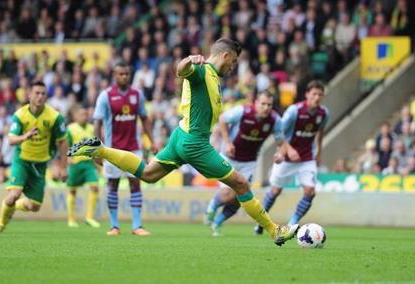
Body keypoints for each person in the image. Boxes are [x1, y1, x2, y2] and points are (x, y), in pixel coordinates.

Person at [68, 38, 299, 246]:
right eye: (234, 61)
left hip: (181, 134)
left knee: (148, 174)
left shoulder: (213, 77)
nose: (233, 66)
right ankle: (274, 230)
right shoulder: (202, 71)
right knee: (241, 184)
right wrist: (189, 60)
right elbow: (181, 70)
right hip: (194, 143)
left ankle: (101, 149)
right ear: (226, 55)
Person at [204, 91, 295, 236]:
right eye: (263, 104)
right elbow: (222, 119)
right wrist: (227, 143)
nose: (266, 107)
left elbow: (281, 141)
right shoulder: (243, 111)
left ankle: (217, 222)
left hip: (249, 162)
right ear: (256, 103)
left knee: (241, 199)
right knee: (229, 193)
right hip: (229, 158)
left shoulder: (275, 120)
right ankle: (212, 206)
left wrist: (280, 153)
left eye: (269, 105)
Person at [0, 81, 68, 234]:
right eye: (37, 93)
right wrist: (25, 136)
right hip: (22, 161)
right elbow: (11, 140)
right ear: (29, 95)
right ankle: (0, 224)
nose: (40, 96)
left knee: (34, 207)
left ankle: (12, 208)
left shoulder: (55, 117)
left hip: (40, 164)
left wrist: (63, 167)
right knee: (14, 194)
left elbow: (62, 142)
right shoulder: (20, 115)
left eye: (43, 93)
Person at [255, 80, 329, 235]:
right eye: (314, 94)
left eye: (320, 95)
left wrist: (319, 153)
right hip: (286, 158)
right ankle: (261, 222)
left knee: (310, 191)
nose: (316, 97)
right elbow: (279, 131)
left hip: (307, 158)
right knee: (275, 191)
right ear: (307, 94)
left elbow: (320, 133)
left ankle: (292, 224)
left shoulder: (324, 113)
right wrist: (288, 150)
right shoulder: (294, 111)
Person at [93, 62, 154, 236]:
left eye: (127, 74)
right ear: (114, 75)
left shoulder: (137, 95)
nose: (124, 77)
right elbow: (97, 122)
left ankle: (137, 226)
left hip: (134, 149)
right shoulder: (106, 96)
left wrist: (152, 141)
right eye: (121, 74)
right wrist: (96, 148)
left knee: (136, 184)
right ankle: (114, 226)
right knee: (112, 185)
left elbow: (145, 118)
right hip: (112, 150)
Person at [65, 105, 100, 228]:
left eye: (86, 114)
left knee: (95, 187)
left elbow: (95, 146)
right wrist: (67, 158)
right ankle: (71, 219)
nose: (84, 116)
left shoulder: (91, 128)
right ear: (75, 116)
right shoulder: (70, 129)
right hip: (75, 164)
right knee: (72, 190)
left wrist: (98, 160)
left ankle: (89, 217)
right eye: (81, 114)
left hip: (89, 164)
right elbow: (65, 144)